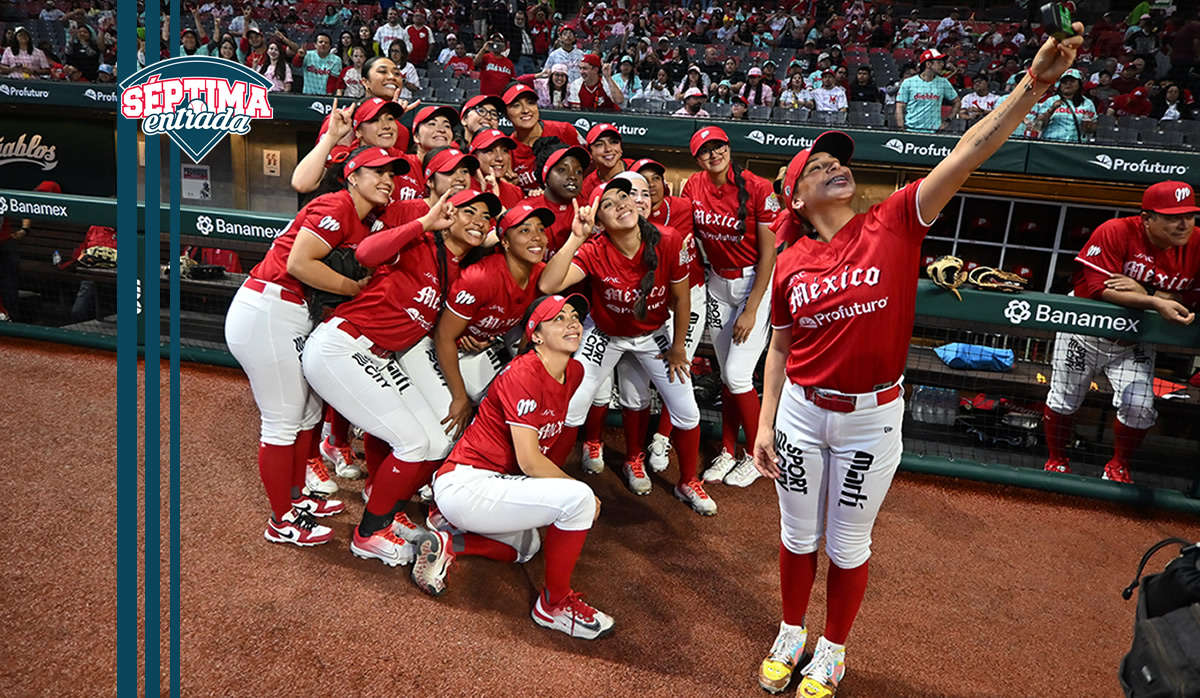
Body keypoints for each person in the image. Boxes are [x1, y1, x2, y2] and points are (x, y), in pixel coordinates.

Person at [751, 23, 1084, 697]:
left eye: (838, 161)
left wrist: (1035, 83)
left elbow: (969, 148)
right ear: (796, 198)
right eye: (817, 167)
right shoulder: (790, 262)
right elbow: (779, 345)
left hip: (872, 418)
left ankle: (833, 650)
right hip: (800, 414)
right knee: (794, 537)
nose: (834, 166)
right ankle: (791, 630)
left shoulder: (896, 220)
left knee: (847, 547)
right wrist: (763, 423)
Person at [301, 188, 496, 594]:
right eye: (469, 211)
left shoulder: (460, 268)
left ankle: (384, 511)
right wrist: (423, 223)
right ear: (448, 213)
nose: (479, 219)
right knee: (410, 442)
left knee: (437, 437)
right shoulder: (419, 241)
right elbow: (366, 254)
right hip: (341, 346)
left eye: (486, 216)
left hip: (378, 356)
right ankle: (369, 533)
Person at [224, 147, 412, 547]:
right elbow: (299, 264)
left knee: (309, 412)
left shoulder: (364, 221)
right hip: (269, 308)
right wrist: (351, 287)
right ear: (351, 177)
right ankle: (282, 521)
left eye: (391, 175)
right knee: (282, 421)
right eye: (375, 172)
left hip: (290, 312)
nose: (386, 180)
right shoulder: (338, 205)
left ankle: (297, 498)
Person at [432, 293, 613, 639]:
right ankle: (554, 605)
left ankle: (447, 542)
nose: (572, 322)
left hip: (491, 484)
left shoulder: (572, 372)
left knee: (526, 548)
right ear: (536, 335)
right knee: (579, 499)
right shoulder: (524, 372)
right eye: (558, 318)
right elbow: (530, 461)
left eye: (574, 316)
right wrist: (577, 492)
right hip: (468, 483)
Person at [538, 179, 713, 515]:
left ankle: (685, 480)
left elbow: (681, 297)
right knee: (573, 406)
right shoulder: (594, 248)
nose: (621, 203)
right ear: (599, 222)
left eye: (624, 196)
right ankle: (551, 484)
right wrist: (578, 236)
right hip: (606, 333)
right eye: (608, 203)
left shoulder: (667, 239)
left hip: (652, 334)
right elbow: (548, 283)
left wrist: (679, 347)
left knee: (687, 410)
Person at [1043, 181, 1199, 484]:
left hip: (1134, 339)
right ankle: (1056, 460)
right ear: (1147, 218)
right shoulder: (1115, 230)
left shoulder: (1197, 245)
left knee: (1139, 405)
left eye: (1190, 216)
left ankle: (1118, 466)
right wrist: (1157, 301)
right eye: (1171, 217)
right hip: (1085, 329)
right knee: (1065, 398)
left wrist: (1149, 293)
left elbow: (1197, 298)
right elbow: (1099, 289)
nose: (1183, 224)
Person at [681, 127, 779, 488]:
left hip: (754, 283)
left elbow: (770, 253)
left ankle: (757, 454)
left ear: (728, 146)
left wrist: (753, 309)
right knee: (726, 375)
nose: (713, 154)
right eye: (704, 150)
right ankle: (727, 450)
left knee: (738, 376)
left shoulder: (757, 186)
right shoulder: (694, 186)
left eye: (718, 146)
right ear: (697, 158)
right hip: (718, 283)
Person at [428, 203, 553, 445]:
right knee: (448, 422)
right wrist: (459, 397)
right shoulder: (480, 277)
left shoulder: (542, 274)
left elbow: (530, 328)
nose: (537, 237)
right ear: (504, 242)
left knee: (507, 397)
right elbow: (444, 337)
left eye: (540, 230)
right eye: (525, 230)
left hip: (484, 344)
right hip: (445, 347)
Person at [503, 83, 586, 194]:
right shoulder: (507, 150)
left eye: (530, 103)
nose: (526, 110)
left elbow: (587, 169)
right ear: (506, 114)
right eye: (516, 105)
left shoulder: (564, 130)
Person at [519, 139, 589, 257]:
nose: (573, 176)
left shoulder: (587, 208)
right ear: (546, 177)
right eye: (562, 170)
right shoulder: (527, 209)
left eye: (578, 171)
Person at [896, 48, 960, 133]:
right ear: (928, 64)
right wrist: (901, 128)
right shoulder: (909, 82)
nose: (942, 65)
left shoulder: (943, 82)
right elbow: (900, 106)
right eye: (939, 62)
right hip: (911, 130)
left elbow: (957, 102)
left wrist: (948, 120)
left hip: (934, 132)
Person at [1034, 68, 1097, 143]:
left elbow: (1095, 126)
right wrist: (1051, 110)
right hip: (1051, 143)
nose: (1068, 84)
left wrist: (1090, 127)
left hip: (1077, 145)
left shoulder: (1087, 103)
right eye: (1064, 82)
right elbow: (1038, 125)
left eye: (1072, 81)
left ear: (1079, 84)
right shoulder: (1050, 101)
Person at [470, 129, 523, 208]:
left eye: (504, 150)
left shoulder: (516, 192)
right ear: (474, 156)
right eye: (490, 150)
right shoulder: (464, 189)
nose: (500, 158)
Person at [580, 123, 630, 200]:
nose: (608, 149)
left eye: (614, 142)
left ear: (621, 148)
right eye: (600, 144)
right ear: (590, 153)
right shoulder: (587, 186)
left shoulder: (638, 169)